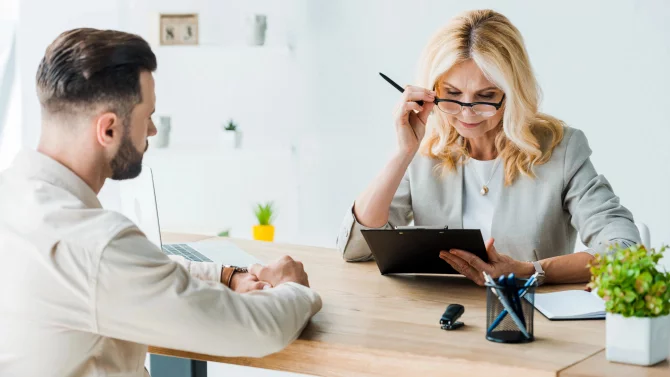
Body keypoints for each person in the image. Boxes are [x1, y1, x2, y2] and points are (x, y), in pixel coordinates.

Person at [0, 28, 321, 377]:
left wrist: (225, 275)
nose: (152, 131)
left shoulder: (16, 197)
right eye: (147, 116)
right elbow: (257, 330)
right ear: (108, 129)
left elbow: (131, 273)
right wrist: (293, 287)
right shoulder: (94, 245)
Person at [336, 9, 640, 286]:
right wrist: (401, 153)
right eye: (452, 93)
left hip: (530, 322)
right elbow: (355, 249)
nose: (467, 113)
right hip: (440, 317)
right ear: (431, 92)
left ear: (513, 93)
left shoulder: (561, 150)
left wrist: (529, 271)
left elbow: (625, 251)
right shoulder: (424, 148)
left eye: (486, 96)